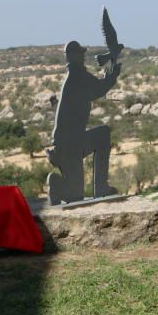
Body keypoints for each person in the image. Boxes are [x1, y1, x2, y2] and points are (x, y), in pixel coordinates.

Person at [47, 41, 121, 204]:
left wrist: (110, 74)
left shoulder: (74, 77)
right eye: (80, 54)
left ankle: (59, 186)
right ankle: (100, 188)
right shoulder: (77, 76)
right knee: (103, 135)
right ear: (72, 56)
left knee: (75, 195)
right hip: (71, 143)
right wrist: (113, 74)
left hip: (67, 142)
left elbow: (96, 89)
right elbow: (99, 89)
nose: (83, 57)